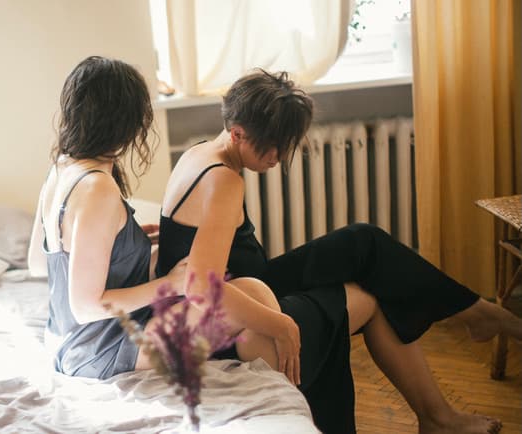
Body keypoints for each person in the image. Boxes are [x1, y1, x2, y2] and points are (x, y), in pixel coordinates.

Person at [154, 68, 522, 434]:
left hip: (247, 291)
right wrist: (280, 325)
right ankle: (439, 416)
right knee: (371, 301)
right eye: (274, 147)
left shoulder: (201, 153)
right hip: (229, 328)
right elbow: (202, 288)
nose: (279, 158)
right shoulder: (222, 181)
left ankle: (475, 315)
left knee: (364, 241)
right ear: (237, 133)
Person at [27, 56, 285, 384]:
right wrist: (169, 286)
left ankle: (287, 379)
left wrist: (122, 243)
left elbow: (38, 262)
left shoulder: (61, 168)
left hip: (65, 339)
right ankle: (294, 390)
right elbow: (85, 307)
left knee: (250, 291)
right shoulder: (97, 188)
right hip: (98, 348)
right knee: (250, 301)